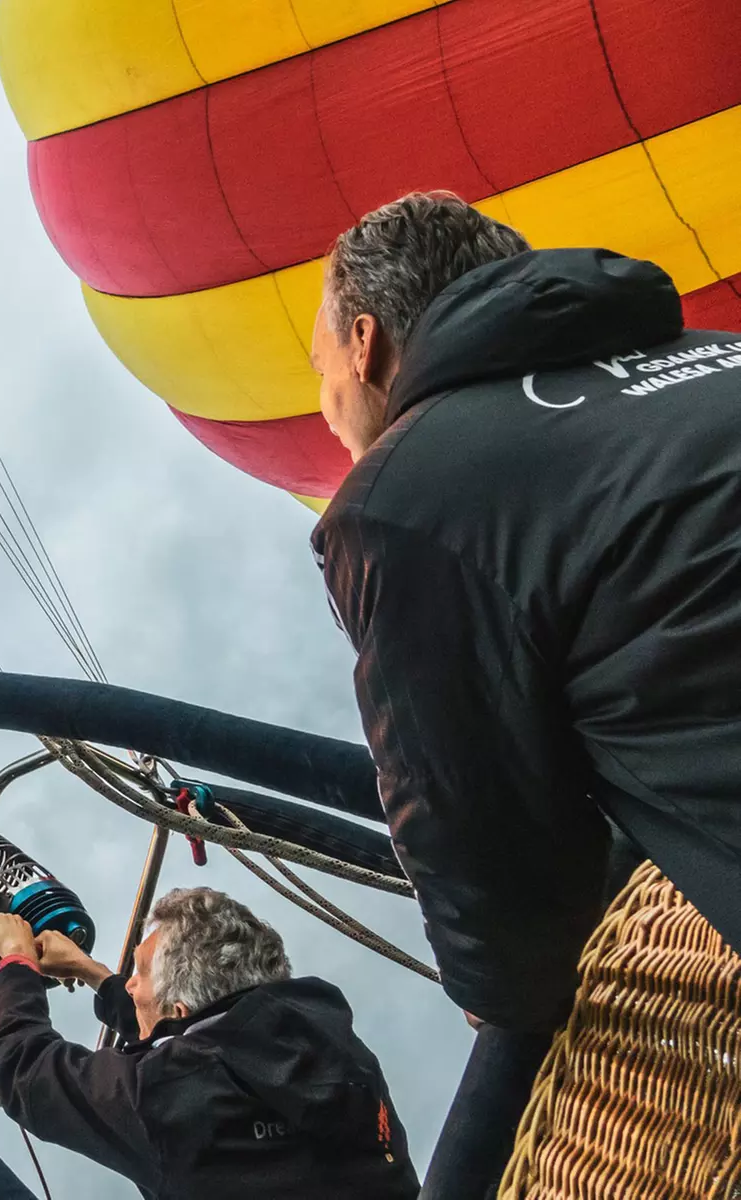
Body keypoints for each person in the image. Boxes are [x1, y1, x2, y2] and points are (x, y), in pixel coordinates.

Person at [308, 190, 741, 1192]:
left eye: (321, 371)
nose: (327, 409)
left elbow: (479, 833)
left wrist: (502, 990)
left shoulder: (397, 499)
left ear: (367, 345)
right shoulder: (718, 353)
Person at [0, 887, 418, 1199]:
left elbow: (23, 1069)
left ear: (178, 1008)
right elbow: (204, 1037)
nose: (130, 986)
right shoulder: (324, 1036)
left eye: (139, 973)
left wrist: (17, 964)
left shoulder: (168, 1096)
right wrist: (92, 973)